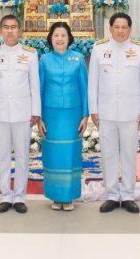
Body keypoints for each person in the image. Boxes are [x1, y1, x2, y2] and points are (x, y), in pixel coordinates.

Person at [89, 12, 140, 214]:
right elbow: (93, 83)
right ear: (111, 29)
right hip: (106, 113)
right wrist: (94, 109)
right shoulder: (99, 49)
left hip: (131, 114)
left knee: (129, 155)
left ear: (130, 30)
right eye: (117, 27)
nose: (121, 31)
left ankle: (128, 195)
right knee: (109, 155)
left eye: (124, 27)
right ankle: (113, 195)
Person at [0, 14, 40, 213]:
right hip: (0, 113)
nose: (9, 31)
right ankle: (6, 196)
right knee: (3, 156)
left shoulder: (30, 55)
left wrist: (35, 111)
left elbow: (34, 86)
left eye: (13, 27)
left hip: (23, 114)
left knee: (23, 156)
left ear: (20, 30)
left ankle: (20, 197)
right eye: (6, 27)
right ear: (0, 31)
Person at [39, 21, 88, 212]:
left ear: (69, 38)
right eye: (56, 35)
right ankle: (55, 196)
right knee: (52, 154)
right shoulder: (44, 60)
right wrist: (39, 117)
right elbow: (40, 88)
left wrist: (85, 115)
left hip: (72, 114)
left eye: (63, 35)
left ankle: (68, 197)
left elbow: (84, 88)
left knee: (70, 154)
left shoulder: (78, 58)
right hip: (50, 114)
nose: (59, 39)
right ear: (51, 38)